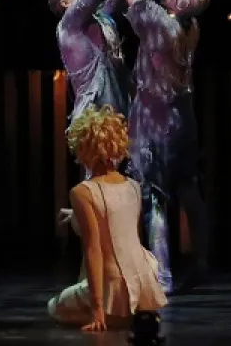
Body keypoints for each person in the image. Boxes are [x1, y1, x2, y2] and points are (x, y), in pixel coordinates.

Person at [113, 0, 210, 292]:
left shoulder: (159, 22)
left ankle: (162, 273)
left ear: (178, 3)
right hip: (183, 117)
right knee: (188, 189)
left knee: (153, 194)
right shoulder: (190, 25)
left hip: (155, 118)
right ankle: (200, 261)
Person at [48, 106, 168, 332]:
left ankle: (113, 314)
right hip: (141, 276)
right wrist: (77, 215)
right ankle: (131, 310)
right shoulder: (133, 186)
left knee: (54, 307)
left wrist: (97, 309)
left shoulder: (82, 192)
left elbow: (94, 249)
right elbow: (118, 224)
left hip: (112, 280)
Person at [49, 0, 130, 123]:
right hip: (94, 118)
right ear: (65, 3)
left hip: (117, 110)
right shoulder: (68, 24)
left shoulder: (100, 18)